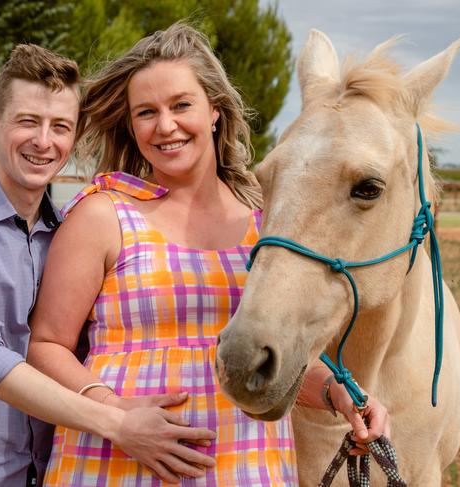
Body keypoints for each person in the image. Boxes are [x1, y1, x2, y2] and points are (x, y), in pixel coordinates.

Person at [27, 22, 390, 486]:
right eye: (146, 112)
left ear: (215, 110)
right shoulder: (104, 214)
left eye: (181, 105)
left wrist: (341, 394)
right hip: (116, 462)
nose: (165, 126)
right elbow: (46, 346)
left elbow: (272, 354)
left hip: (245, 465)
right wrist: (114, 413)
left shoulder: (265, 223)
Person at [0, 43, 217, 487]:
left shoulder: (70, 231)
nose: (43, 141)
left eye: (60, 126)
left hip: (51, 473)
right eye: (27, 121)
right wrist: (116, 421)